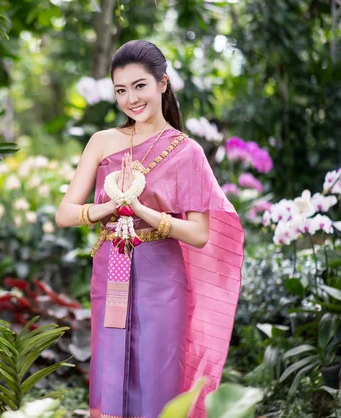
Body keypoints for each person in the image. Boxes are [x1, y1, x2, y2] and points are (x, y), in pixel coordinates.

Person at [55, 40, 244, 418]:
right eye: (121, 90)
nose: (131, 99)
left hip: (163, 276)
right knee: (110, 372)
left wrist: (143, 210)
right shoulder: (102, 142)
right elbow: (64, 213)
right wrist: (109, 207)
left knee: (157, 374)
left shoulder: (186, 151)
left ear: (162, 84)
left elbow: (199, 233)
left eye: (139, 86)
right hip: (112, 270)